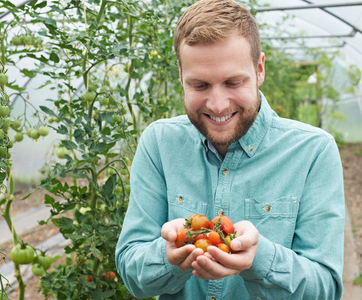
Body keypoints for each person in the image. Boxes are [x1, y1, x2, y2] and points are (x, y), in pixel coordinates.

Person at [115, 0, 345, 299]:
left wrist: (260, 258)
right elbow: (132, 273)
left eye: (233, 82)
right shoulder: (160, 144)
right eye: (199, 86)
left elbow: (325, 289)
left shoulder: (313, 152)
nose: (218, 104)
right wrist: (168, 256)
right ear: (181, 76)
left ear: (259, 69)